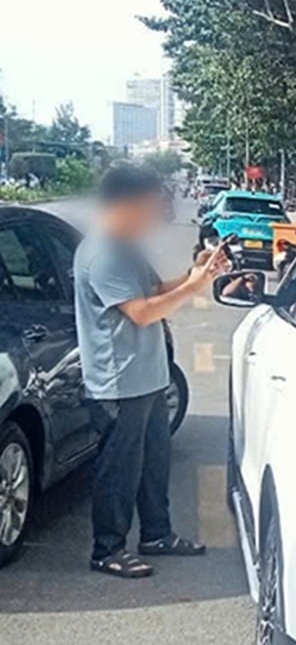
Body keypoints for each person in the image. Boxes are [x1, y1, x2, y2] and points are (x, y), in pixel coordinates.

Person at [74, 165, 231, 578]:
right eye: (149, 206)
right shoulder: (103, 254)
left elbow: (156, 290)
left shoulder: (125, 248)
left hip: (149, 377)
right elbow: (142, 312)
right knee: (120, 470)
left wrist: (196, 273)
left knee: (153, 464)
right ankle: (107, 549)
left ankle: (157, 534)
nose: (154, 216)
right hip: (120, 383)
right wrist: (194, 288)